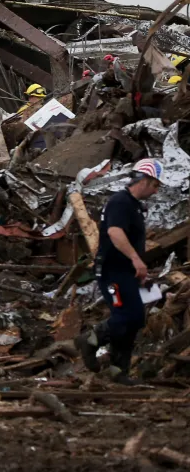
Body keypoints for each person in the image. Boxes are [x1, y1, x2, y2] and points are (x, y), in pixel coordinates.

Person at [78, 158, 164, 383]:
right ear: (144, 180)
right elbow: (115, 233)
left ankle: (118, 370)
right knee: (126, 315)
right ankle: (90, 339)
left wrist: (140, 269)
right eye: (155, 185)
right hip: (112, 270)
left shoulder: (135, 206)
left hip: (127, 272)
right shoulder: (120, 202)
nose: (156, 191)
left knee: (135, 319)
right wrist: (136, 260)